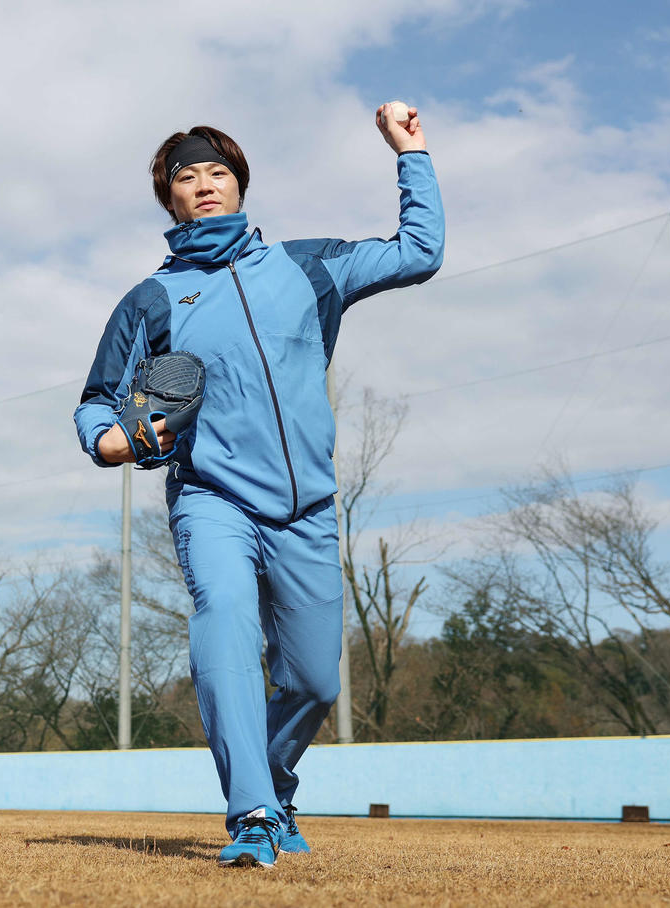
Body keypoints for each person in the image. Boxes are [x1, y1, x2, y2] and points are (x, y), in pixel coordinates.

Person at [73, 103, 444, 867]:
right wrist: (113, 441)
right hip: (211, 497)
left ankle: (272, 781)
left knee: (314, 680)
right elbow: (96, 402)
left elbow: (419, 250)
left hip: (305, 508)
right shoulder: (151, 299)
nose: (203, 185)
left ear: (240, 185)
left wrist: (411, 154)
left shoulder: (310, 268)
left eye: (217, 172)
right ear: (168, 198)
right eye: (186, 177)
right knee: (228, 621)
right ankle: (252, 815)